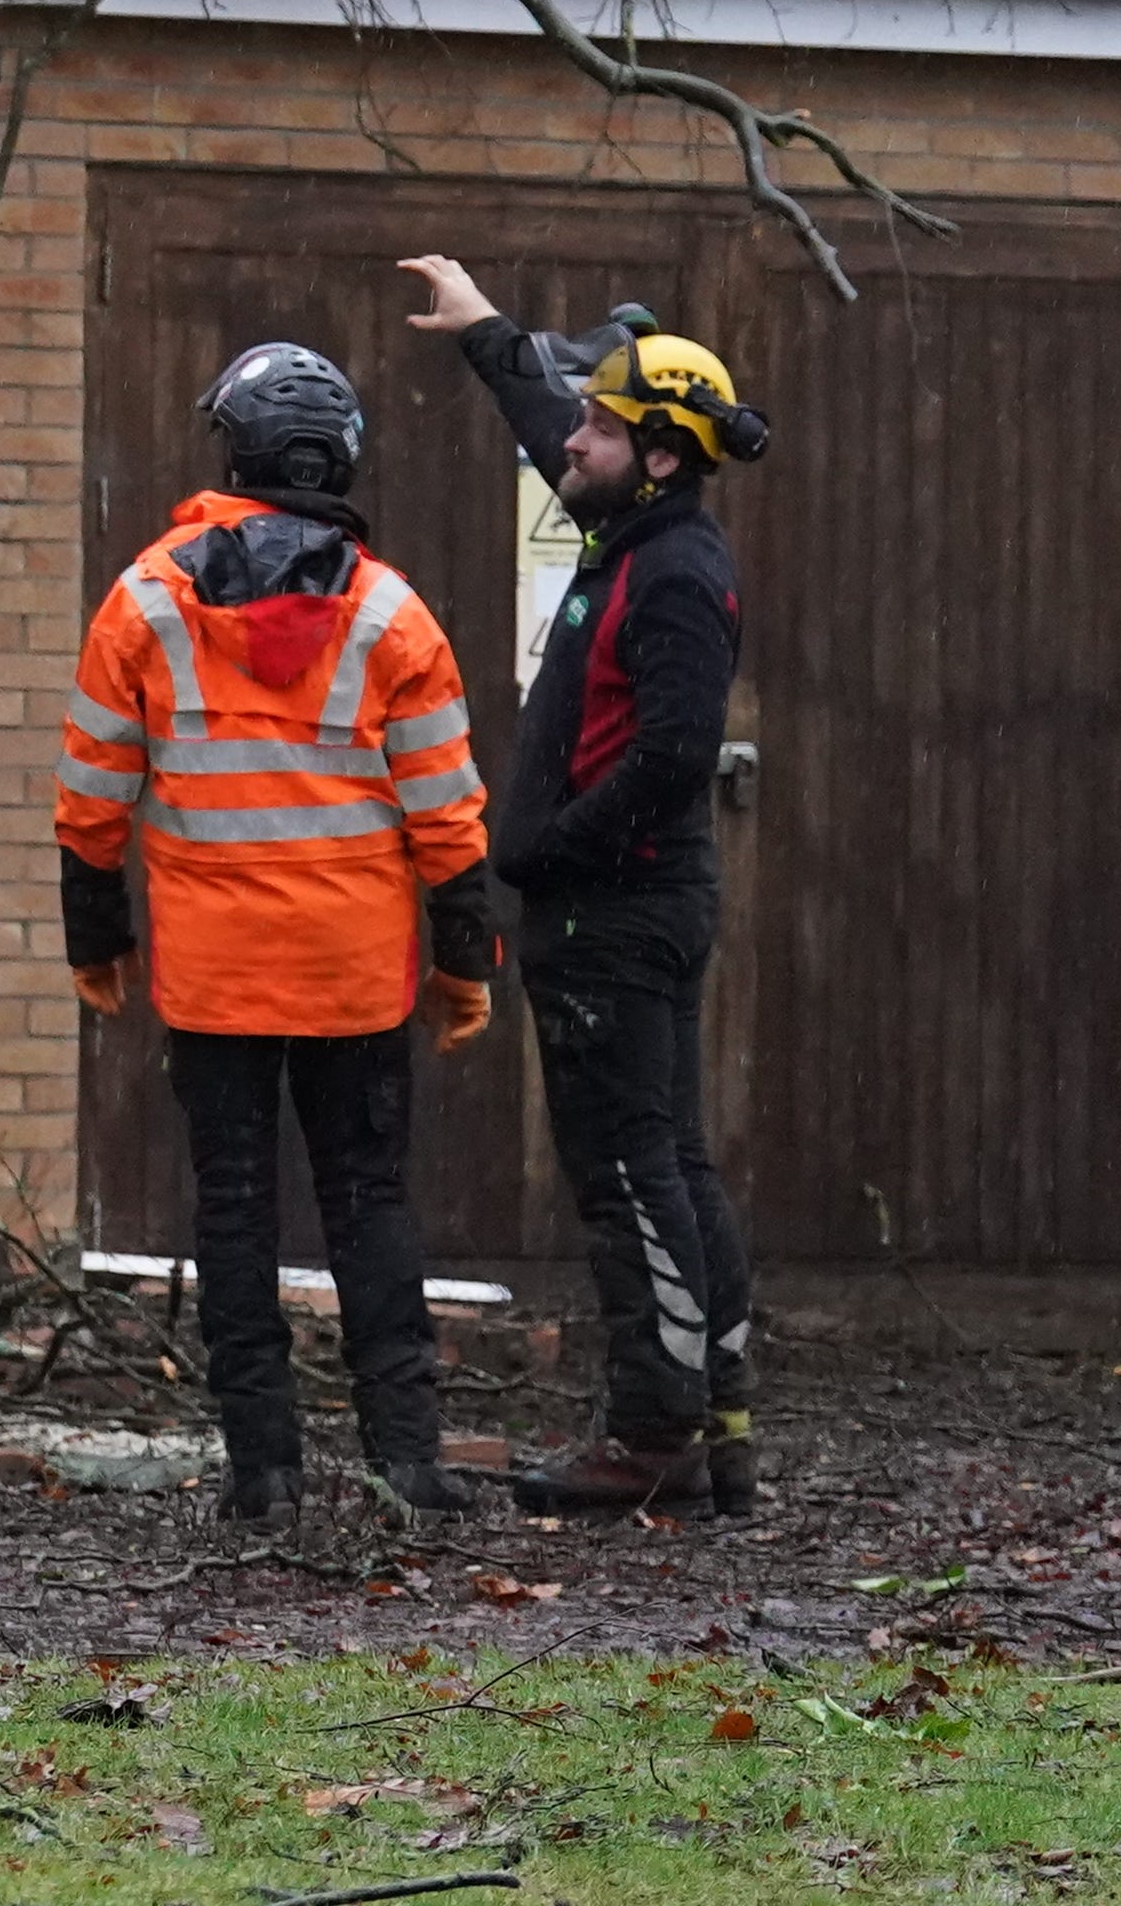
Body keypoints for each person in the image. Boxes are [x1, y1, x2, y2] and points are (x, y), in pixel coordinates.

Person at [58, 338, 502, 1530]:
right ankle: (406, 1464)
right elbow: (446, 814)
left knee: (235, 1213)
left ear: (235, 451)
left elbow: (91, 796)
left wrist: (91, 940)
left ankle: (263, 1473)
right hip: (356, 974)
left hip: (211, 982)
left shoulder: (147, 598)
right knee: (370, 1203)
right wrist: (466, 965)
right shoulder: (394, 614)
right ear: (339, 456)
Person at [399, 255, 765, 1518]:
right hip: (624, 909)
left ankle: (656, 1432)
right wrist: (487, 332)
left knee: (625, 1172)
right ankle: (716, 1419)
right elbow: (552, 422)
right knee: (670, 1158)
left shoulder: (669, 573)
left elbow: (671, 758)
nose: (579, 436)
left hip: (616, 914)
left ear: (658, 455)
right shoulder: (639, 529)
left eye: (606, 426)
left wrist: (542, 854)